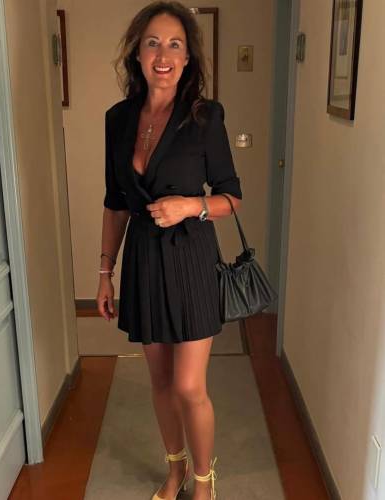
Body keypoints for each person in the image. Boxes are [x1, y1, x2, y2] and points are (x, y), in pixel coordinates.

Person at [97, 2, 242, 499]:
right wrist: (104, 273)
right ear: (137, 54)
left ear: (187, 58)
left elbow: (231, 197)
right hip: (143, 259)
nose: (163, 55)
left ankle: (203, 482)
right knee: (159, 383)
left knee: (188, 386)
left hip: (191, 256)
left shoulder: (204, 117)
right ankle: (175, 469)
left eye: (175, 45)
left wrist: (188, 206)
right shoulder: (118, 120)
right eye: (153, 43)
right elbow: (115, 202)